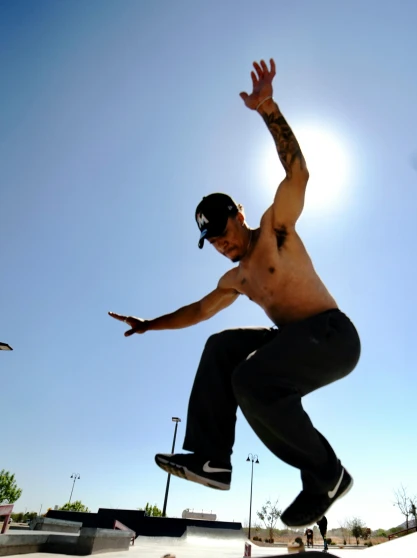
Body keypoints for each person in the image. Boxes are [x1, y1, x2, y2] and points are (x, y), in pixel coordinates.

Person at [109, 58, 361, 529]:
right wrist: (149, 323)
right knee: (222, 347)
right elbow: (198, 310)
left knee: (250, 380)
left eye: (224, 230)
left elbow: (299, 173)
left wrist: (268, 109)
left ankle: (325, 472)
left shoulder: (274, 231)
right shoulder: (236, 280)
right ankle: (212, 459)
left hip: (332, 337)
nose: (222, 243)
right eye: (213, 241)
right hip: (292, 342)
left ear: (238, 215)